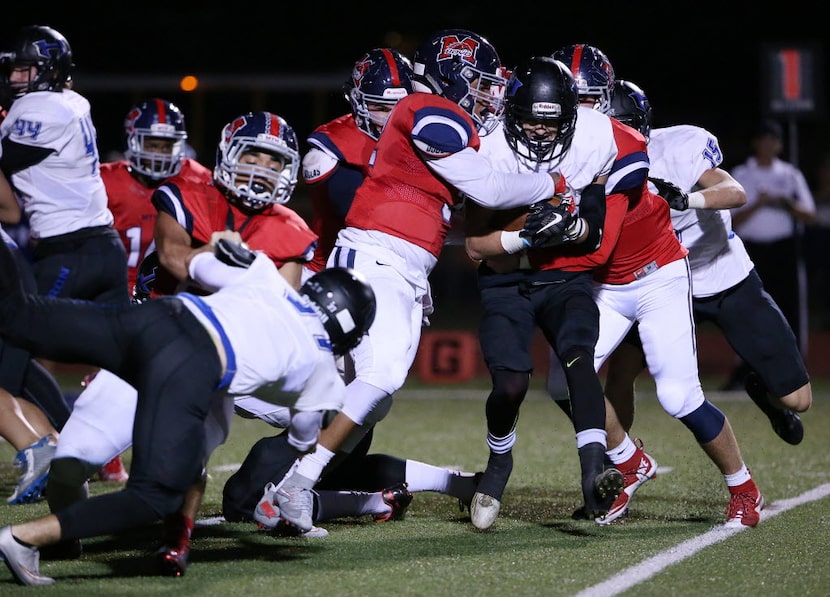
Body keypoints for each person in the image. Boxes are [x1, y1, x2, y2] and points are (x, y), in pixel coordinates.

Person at [258, 28, 570, 534]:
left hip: (399, 263)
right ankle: (295, 483)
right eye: (483, 83)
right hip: (377, 255)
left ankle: (287, 485)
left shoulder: (451, 120)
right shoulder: (429, 109)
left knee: (366, 390)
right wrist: (555, 183)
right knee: (374, 379)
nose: (491, 94)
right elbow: (487, 184)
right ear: (453, 76)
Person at [0, 231, 376, 586]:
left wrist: (220, 249)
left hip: (157, 316)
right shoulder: (322, 366)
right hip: (188, 359)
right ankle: (21, 538)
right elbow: (304, 435)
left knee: (20, 316)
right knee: (153, 497)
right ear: (349, 326)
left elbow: (199, 265)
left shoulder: (267, 276)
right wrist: (302, 436)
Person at [35, 110, 318, 574]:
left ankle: (175, 538)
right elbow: (174, 259)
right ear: (229, 154)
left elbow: (281, 309)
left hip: (211, 358)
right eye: (254, 155)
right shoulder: (185, 194)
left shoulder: (291, 230)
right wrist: (222, 254)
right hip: (147, 345)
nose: (263, 169)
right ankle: (66, 530)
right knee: (69, 464)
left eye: (274, 161)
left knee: (187, 457)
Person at [228, 49, 481, 526]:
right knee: (314, 414)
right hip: (332, 290)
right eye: (380, 107)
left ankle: (448, 485)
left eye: (399, 106)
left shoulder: (423, 136)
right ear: (359, 102)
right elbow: (363, 213)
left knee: (354, 421)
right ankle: (373, 495)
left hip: (389, 285)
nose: (390, 117)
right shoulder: (330, 146)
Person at [595, 80, 811, 524]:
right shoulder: (593, 161)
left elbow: (736, 192)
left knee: (798, 400)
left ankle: (766, 396)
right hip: (660, 286)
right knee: (617, 376)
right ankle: (623, 470)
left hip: (724, 277)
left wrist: (687, 198)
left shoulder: (681, 144)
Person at [463, 56, 639, 529]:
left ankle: (593, 470)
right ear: (510, 114)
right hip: (506, 280)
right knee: (511, 384)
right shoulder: (489, 150)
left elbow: (595, 231)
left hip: (564, 276)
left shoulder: (595, 138)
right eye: (529, 122)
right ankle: (499, 464)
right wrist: (526, 237)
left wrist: (575, 224)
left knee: (579, 355)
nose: (540, 133)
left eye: (552, 123)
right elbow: (475, 247)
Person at [84, 97, 213, 483]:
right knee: (112, 370)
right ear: (132, 141)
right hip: (115, 290)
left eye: (166, 144)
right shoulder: (105, 179)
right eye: (151, 144)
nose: (159, 154)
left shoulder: (198, 179)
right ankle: (100, 449)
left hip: (173, 291)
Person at [724, 120, 816, 390]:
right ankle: (744, 373)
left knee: (789, 309)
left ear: (780, 145)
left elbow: (809, 214)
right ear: (755, 143)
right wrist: (760, 204)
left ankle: (794, 374)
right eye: (763, 139)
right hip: (750, 251)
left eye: (773, 140)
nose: (768, 145)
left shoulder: (790, 175)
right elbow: (731, 220)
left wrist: (783, 202)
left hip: (784, 250)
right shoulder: (742, 173)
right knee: (746, 310)